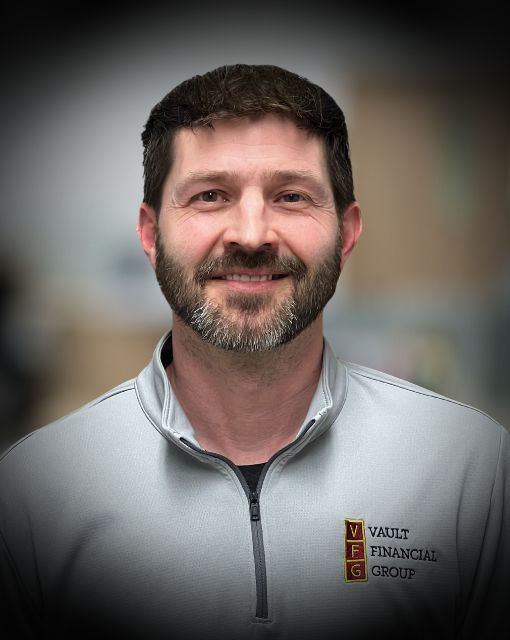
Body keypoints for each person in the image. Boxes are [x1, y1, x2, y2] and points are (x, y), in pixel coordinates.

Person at [0, 64, 508, 640]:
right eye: (210, 196)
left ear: (346, 234)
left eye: (291, 196)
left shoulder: (471, 468)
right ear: (150, 234)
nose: (250, 233)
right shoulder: (34, 492)